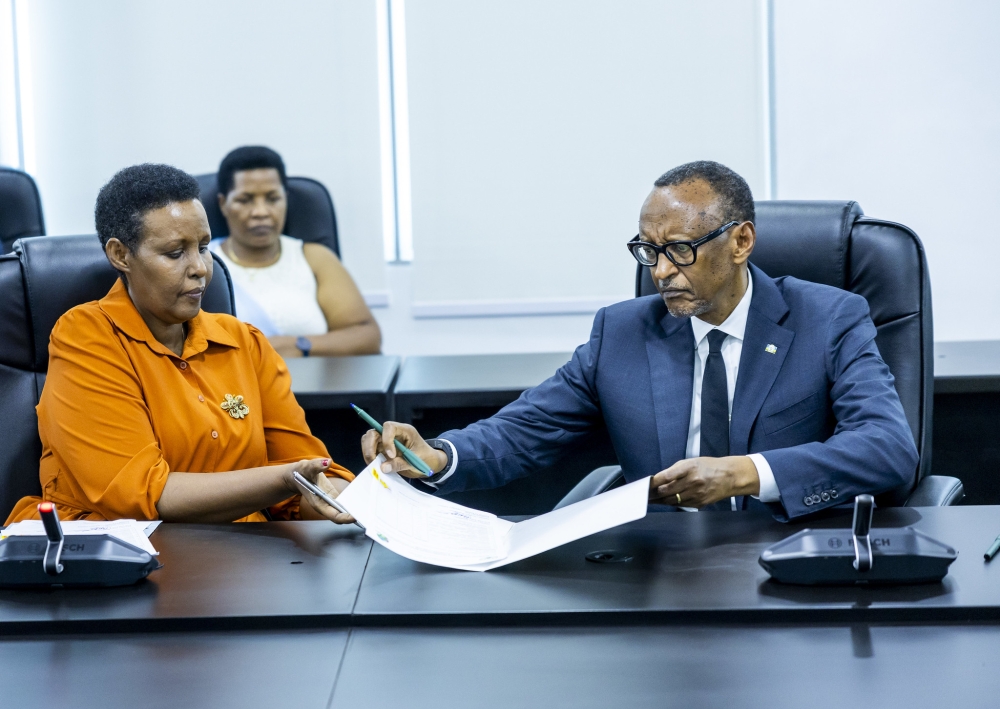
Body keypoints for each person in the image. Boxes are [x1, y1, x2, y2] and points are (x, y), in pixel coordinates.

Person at [361, 161, 919, 521]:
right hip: (662, 569)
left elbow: (888, 449)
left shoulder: (829, 318)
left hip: (790, 558)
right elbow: (523, 431)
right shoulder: (622, 332)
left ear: (741, 241)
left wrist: (743, 473)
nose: (659, 271)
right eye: (647, 250)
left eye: (678, 248)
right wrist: (438, 456)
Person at [5, 164, 356, 524]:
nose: (201, 268)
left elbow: (302, 488)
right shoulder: (86, 337)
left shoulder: (243, 341)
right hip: (129, 559)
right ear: (121, 255)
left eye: (204, 247)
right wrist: (286, 479)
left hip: (248, 557)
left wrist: (346, 492)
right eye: (175, 253)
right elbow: (142, 494)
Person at [209, 146, 381, 358]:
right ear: (223, 203)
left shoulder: (314, 258)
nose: (261, 212)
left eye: (272, 198)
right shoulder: (203, 263)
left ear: (285, 199)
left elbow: (367, 335)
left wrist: (298, 345)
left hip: (312, 388)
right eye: (245, 200)